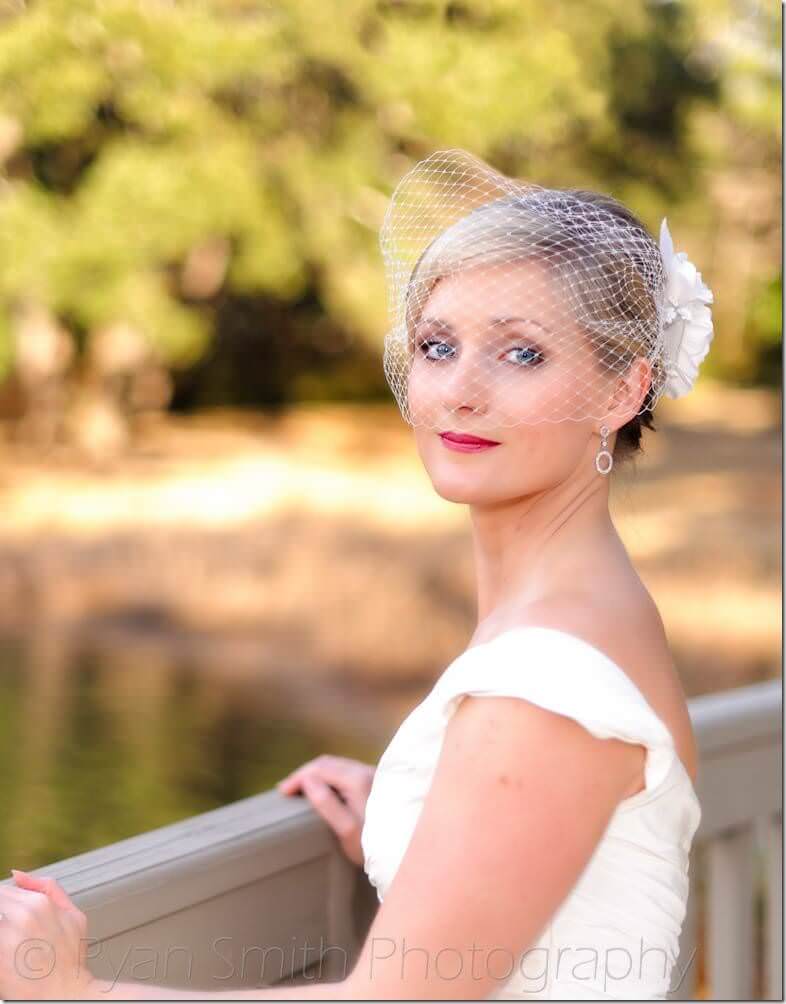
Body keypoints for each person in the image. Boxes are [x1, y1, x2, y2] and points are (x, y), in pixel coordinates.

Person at [0, 149, 714, 1000]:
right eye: (438, 345)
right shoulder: (600, 608)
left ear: (621, 391)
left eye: (521, 354)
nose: (460, 391)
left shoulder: (545, 687)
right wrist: (415, 823)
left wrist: (72, 992)